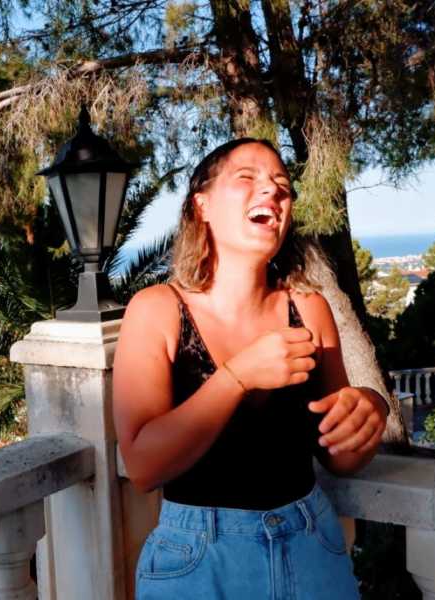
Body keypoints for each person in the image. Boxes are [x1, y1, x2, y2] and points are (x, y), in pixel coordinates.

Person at [112, 138, 389, 599]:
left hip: (311, 546)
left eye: (282, 187)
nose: (273, 192)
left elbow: (341, 457)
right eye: (248, 178)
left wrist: (371, 409)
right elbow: (143, 466)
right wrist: (238, 376)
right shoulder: (157, 309)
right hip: (200, 561)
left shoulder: (309, 308)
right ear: (201, 205)